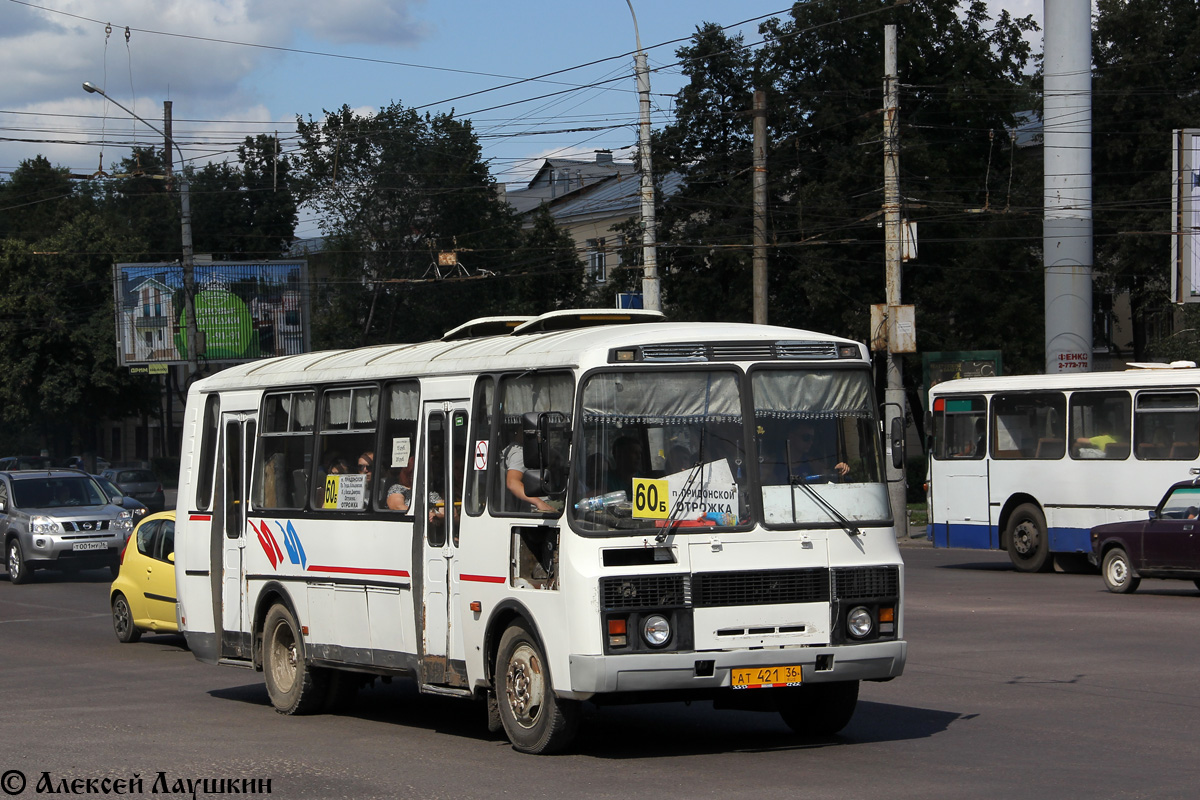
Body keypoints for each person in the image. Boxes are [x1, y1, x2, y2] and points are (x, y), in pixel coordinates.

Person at [785, 420, 849, 481]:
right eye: (806, 437)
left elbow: (828, 475)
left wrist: (839, 469)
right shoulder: (776, 462)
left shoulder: (812, 463)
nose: (810, 442)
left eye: (812, 439)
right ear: (791, 437)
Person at [503, 440, 555, 513]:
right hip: (538, 508)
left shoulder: (512, 449)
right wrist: (539, 503)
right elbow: (512, 483)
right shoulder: (521, 453)